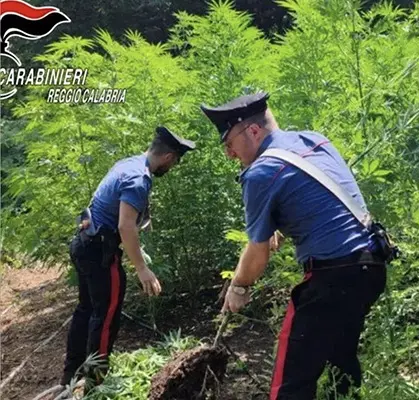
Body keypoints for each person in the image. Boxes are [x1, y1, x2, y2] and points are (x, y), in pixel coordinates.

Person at [201, 92, 389, 399]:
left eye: (229, 144)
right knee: (340, 362)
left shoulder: (262, 171)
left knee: (291, 381)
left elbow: (257, 252)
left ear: (253, 131)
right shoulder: (313, 140)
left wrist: (239, 287)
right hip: (369, 267)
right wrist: (283, 228)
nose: (229, 154)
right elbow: (321, 202)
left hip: (331, 277)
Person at [60, 126, 196, 389]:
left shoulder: (129, 163)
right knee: (107, 314)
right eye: (175, 162)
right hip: (100, 252)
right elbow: (125, 226)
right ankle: (94, 383)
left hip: (84, 243)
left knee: (86, 309)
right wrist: (142, 268)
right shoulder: (139, 179)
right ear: (168, 157)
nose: (173, 167)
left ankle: (71, 375)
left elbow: (118, 211)